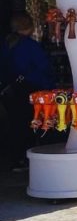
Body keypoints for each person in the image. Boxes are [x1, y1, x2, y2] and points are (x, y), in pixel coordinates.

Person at [0, 13, 54, 171]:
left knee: (15, 125)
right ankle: (30, 158)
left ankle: (17, 159)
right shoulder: (30, 46)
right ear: (29, 27)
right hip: (30, 89)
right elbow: (43, 68)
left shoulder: (7, 44)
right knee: (31, 124)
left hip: (10, 90)